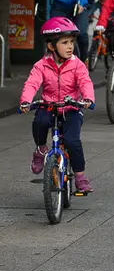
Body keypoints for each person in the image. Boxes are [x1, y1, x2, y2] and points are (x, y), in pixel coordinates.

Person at [20, 17, 95, 193]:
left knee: (72, 141)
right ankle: (40, 150)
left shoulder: (77, 65)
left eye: (71, 42)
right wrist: (26, 100)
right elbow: (32, 83)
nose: (70, 46)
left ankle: (80, 176)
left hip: (71, 107)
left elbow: (85, 82)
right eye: (65, 42)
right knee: (39, 122)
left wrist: (88, 99)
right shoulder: (41, 65)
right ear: (51, 46)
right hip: (49, 105)